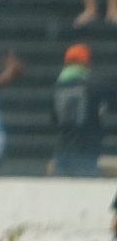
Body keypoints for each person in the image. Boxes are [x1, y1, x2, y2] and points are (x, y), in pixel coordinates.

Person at [49, 44, 117, 177]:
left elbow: (54, 120)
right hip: (86, 152)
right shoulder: (93, 86)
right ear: (87, 63)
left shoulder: (56, 88)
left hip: (62, 151)